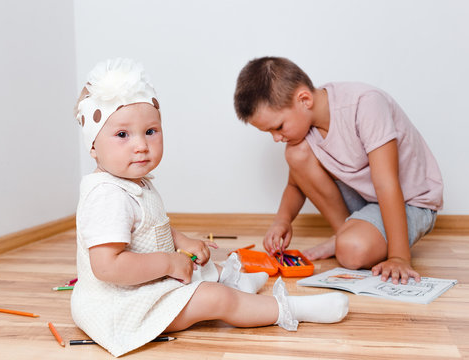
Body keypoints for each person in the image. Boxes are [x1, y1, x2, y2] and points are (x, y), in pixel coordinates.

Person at [71, 58, 349, 357]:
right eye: (123, 135)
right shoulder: (106, 196)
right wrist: (167, 263)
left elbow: (146, 227)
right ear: (93, 146)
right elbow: (107, 266)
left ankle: (236, 283)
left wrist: (183, 242)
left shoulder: (131, 182)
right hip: (122, 306)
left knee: (203, 267)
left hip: (141, 283)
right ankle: (288, 308)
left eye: (150, 131)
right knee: (216, 299)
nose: (141, 145)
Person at [233, 56, 443, 286]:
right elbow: (295, 185)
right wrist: (282, 220)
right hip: (368, 199)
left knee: (352, 251)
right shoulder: (305, 130)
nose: (276, 138)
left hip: (409, 202)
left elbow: (387, 184)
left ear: (304, 99)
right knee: (296, 153)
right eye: (269, 132)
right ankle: (346, 233)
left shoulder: (365, 105)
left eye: (279, 127)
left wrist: (399, 257)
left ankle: (349, 238)